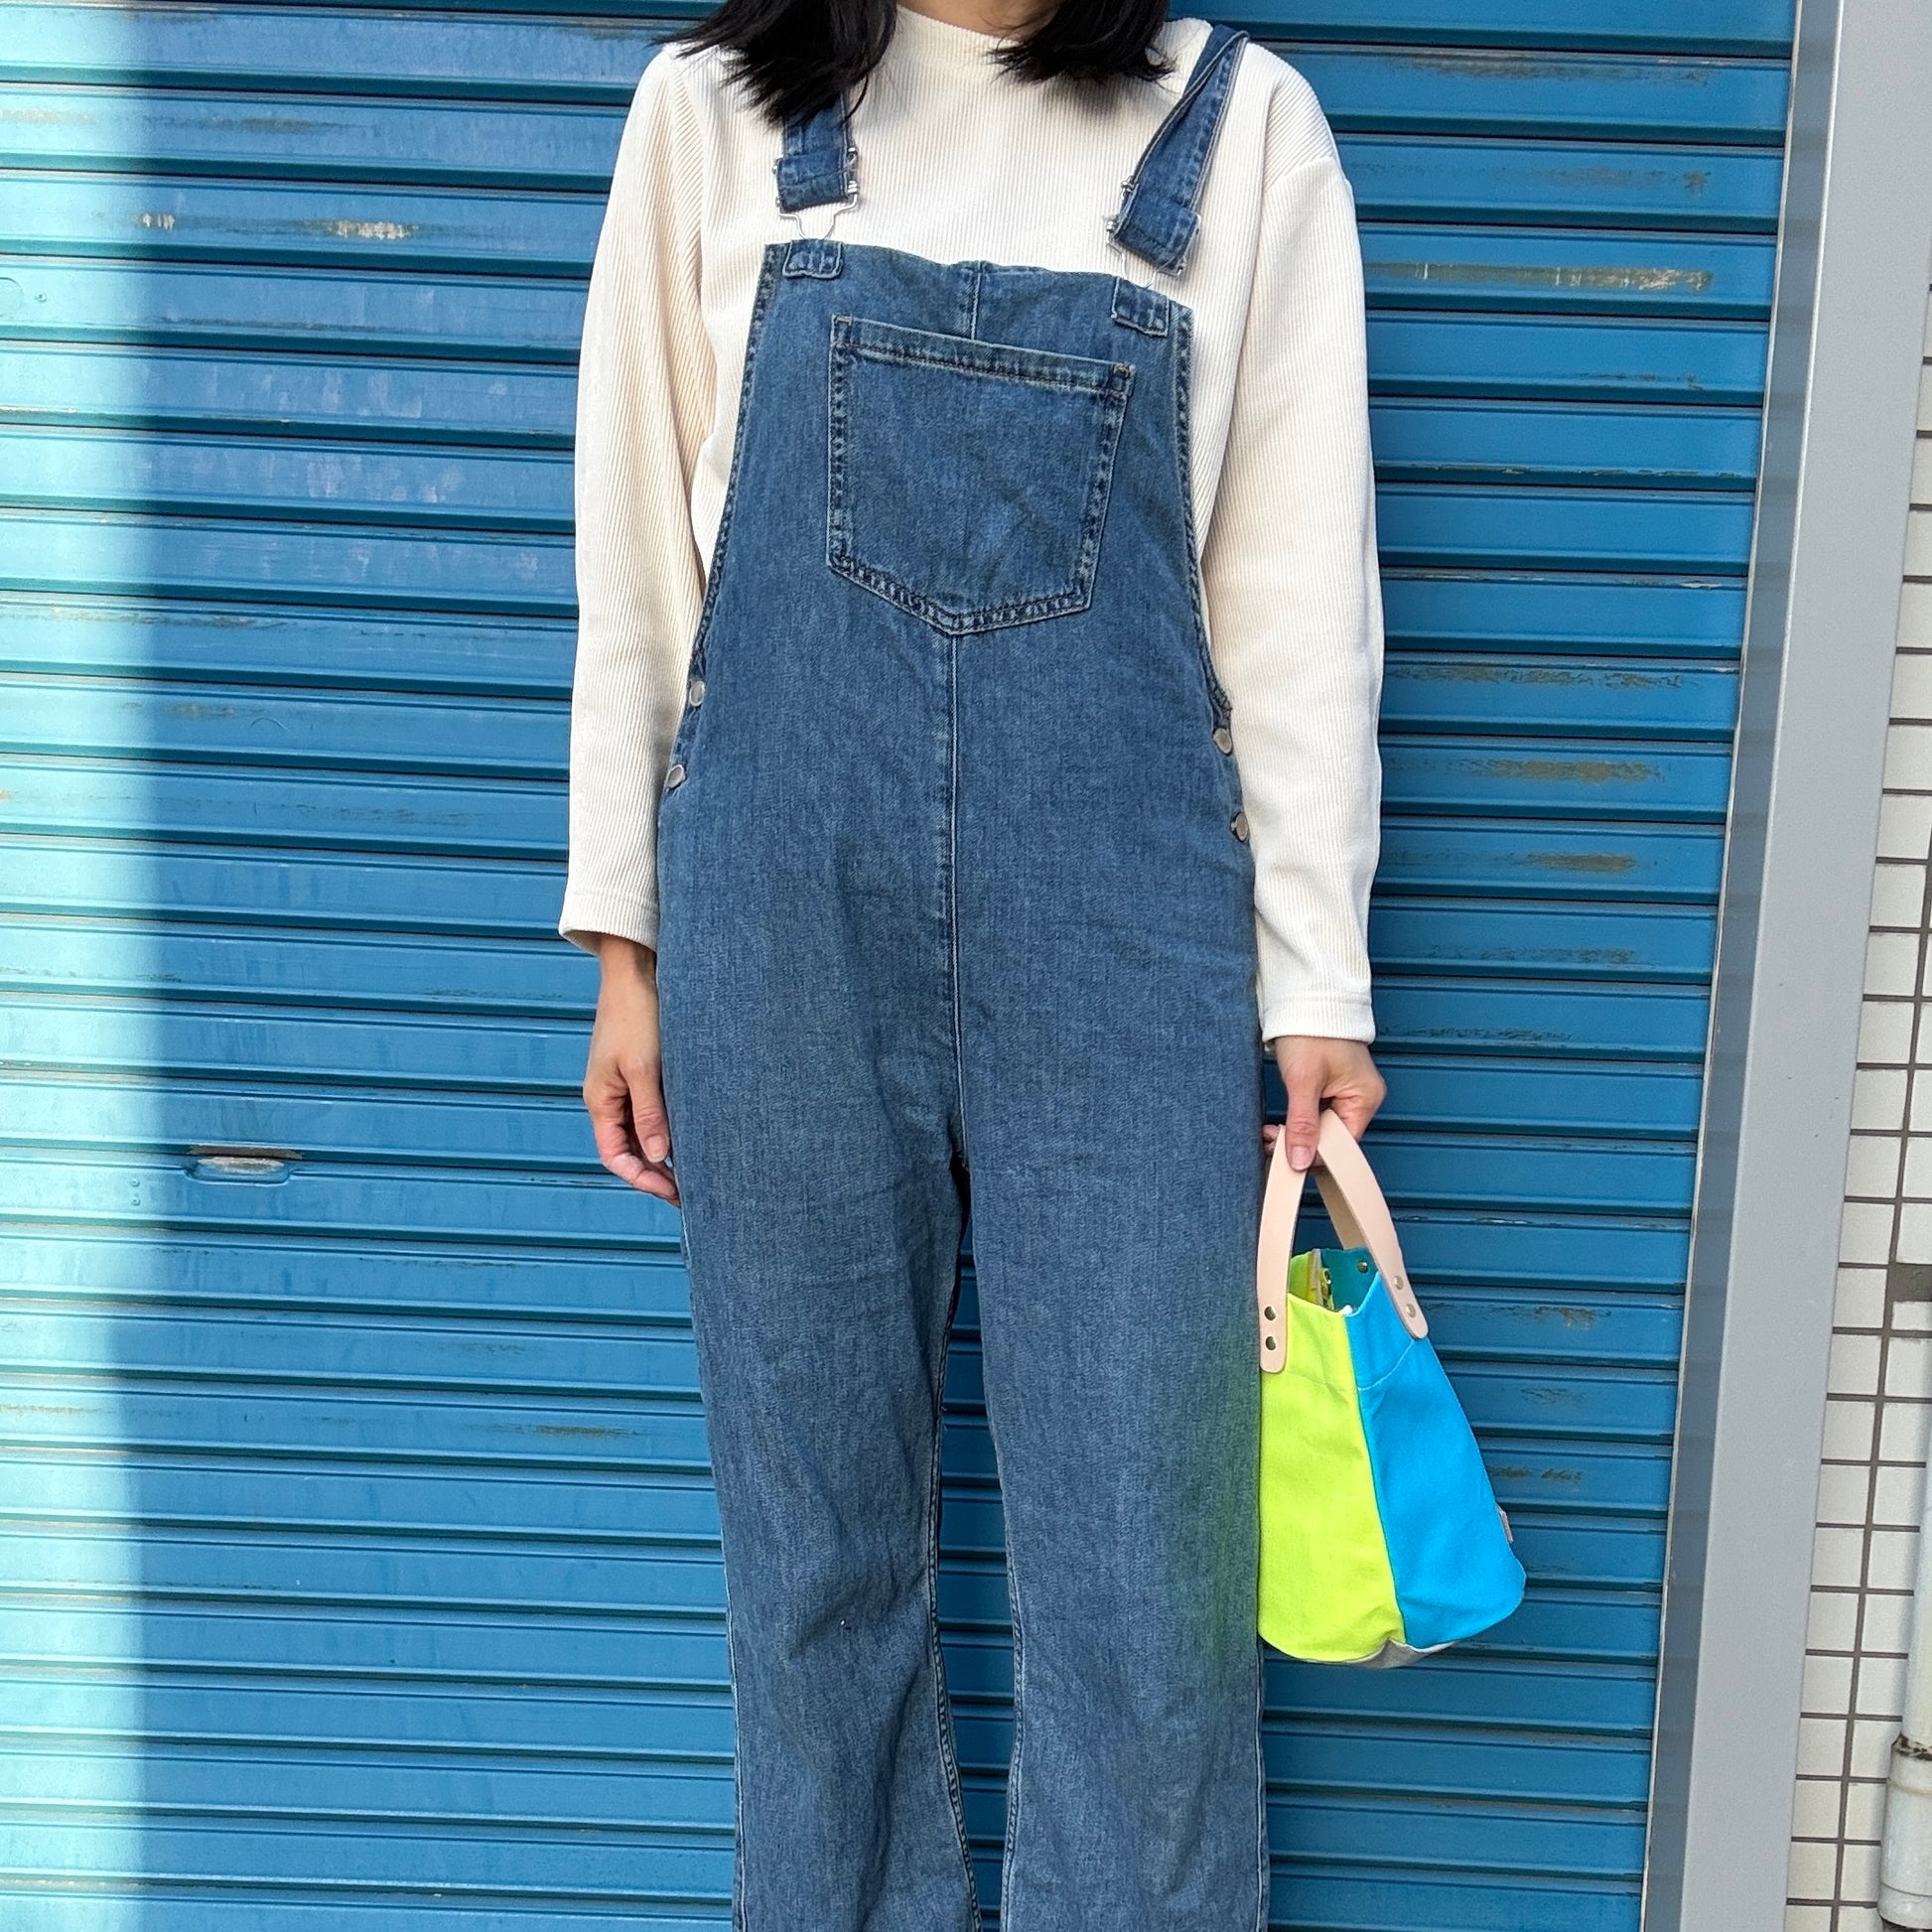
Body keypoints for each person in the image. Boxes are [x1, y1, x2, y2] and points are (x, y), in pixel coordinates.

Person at [562, 0, 1386, 1923]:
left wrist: (1315, 977)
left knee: (1147, 1567)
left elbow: (1294, 581)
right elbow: (636, 544)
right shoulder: (714, 108)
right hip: (779, 905)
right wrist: (625, 934)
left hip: (1128, 922)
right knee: (815, 1557)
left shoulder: (1241, 122)